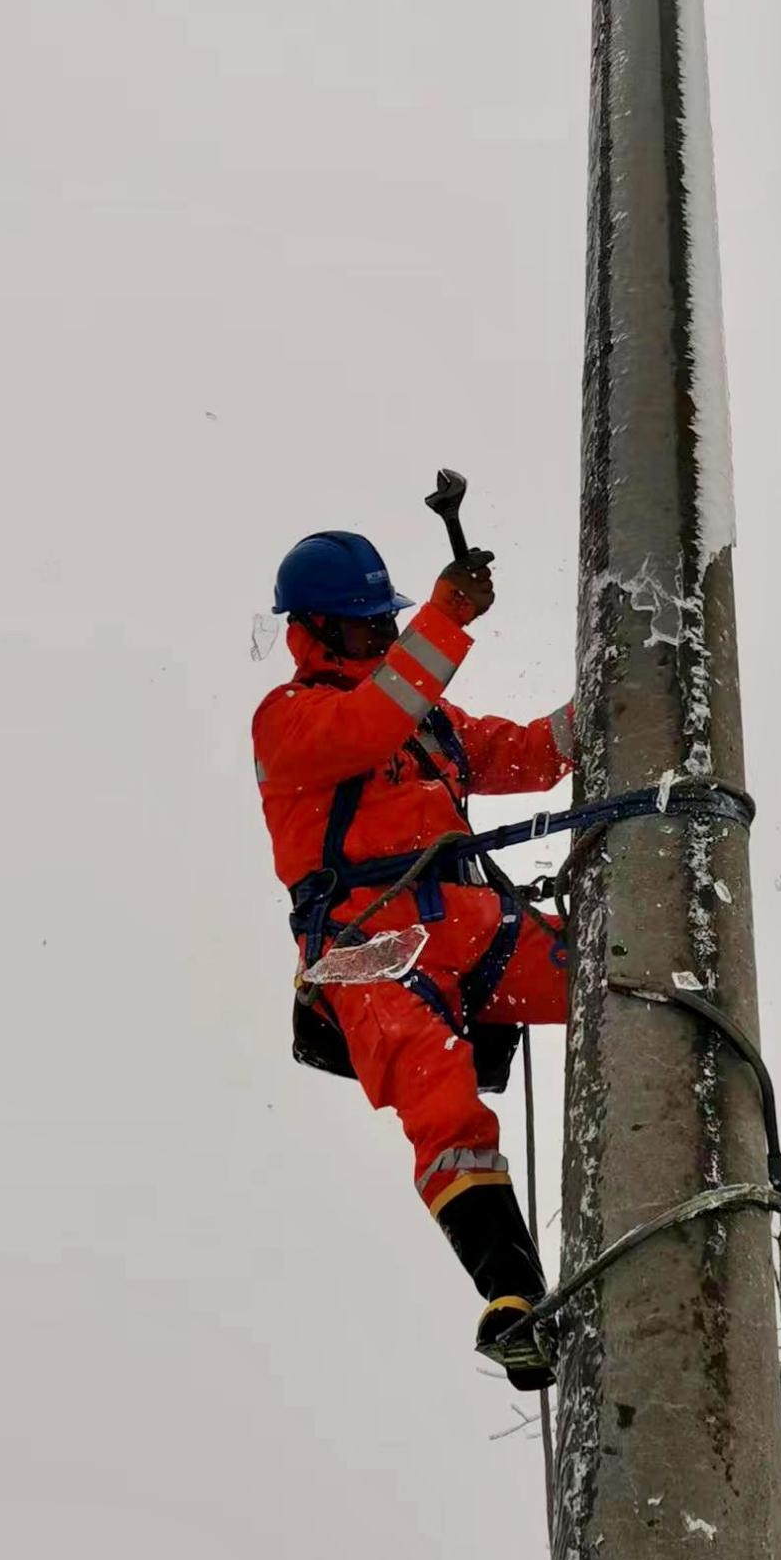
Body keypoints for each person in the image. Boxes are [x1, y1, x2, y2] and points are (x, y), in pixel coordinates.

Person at [252, 530, 573, 1390]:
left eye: (386, 626)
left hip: (463, 919)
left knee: (609, 971)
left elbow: (526, 755)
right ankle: (513, 1292)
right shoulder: (290, 720)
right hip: (366, 946)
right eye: (369, 629)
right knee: (441, 1103)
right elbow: (368, 724)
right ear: (316, 630)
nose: (385, 641)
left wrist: (604, 711)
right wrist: (447, 618)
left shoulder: (424, 715)